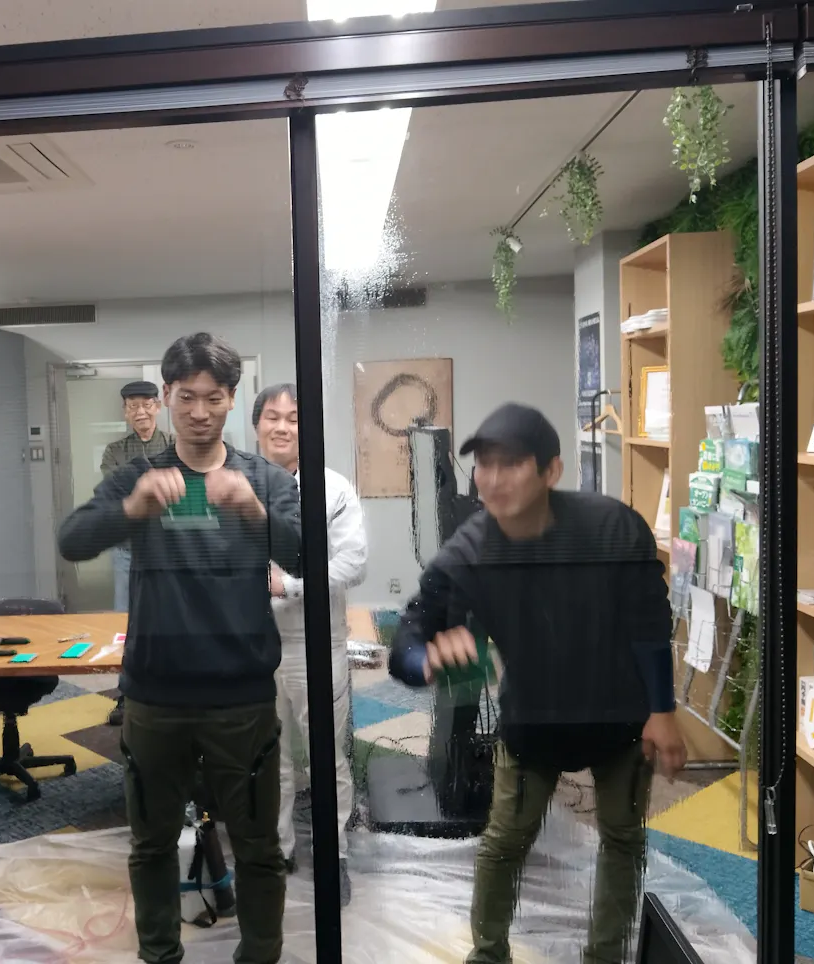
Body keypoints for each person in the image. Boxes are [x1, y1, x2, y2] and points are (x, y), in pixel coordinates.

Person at [388, 402, 686, 964]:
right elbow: (406, 638)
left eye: (512, 464)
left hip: (619, 714)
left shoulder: (613, 527)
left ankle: (604, 958)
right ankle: (488, 954)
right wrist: (424, 657)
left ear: (551, 471)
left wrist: (662, 709)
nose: (493, 479)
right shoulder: (468, 552)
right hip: (533, 719)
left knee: (623, 840)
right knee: (503, 842)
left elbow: (650, 622)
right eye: (484, 465)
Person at [59, 333, 300, 964]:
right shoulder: (139, 477)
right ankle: (159, 954)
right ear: (165, 396)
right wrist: (131, 508)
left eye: (213, 398)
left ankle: (260, 955)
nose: (199, 412)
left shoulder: (262, 479)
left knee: (258, 847)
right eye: (186, 397)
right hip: (156, 696)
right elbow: (73, 540)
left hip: (241, 699)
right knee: (151, 844)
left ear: (232, 399)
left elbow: (309, 555)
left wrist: (255, 513)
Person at [253, 383, 367, 906]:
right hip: (252, 646)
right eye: (272, 416)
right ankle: (277, 849)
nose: (282, 426)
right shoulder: (236, 484)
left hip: (313, 642)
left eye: (294, 418)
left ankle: (333, 853)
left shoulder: (332, 489)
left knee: (326, 756)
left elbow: (353, 564)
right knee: (266, 755)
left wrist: (291, 585)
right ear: (257, 426)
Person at [100, 380, 172, 727]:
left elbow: (186, 488)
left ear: (157, 406)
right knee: (125, 622)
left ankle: (170, 690)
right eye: (133, 406)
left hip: (170, 549)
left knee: (171, 617)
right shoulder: (114, 451)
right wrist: (157, 485)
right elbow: (116, 492)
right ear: (125, 412)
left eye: (146, 404)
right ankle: (126, 694)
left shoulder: (175, 444)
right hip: (128, 548)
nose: (140, 412)